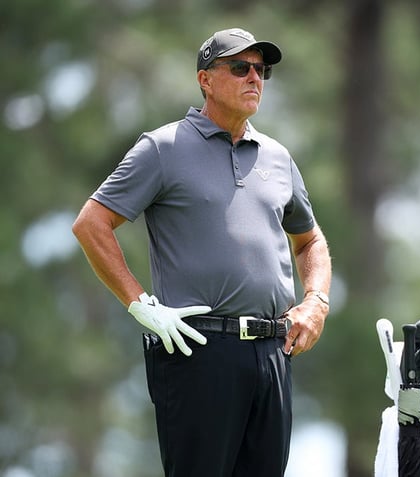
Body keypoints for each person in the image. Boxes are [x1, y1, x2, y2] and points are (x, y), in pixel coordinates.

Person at [72, 28, 332, 477]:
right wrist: (140, 305)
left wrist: (317, 301)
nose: (255, 78)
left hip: (273, 352)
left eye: (261, 69)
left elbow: (310, 241)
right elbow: (91, 223)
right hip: (197, 350)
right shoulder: (163, 147)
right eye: (240, 67)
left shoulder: (277, 156)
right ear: (205, 80)